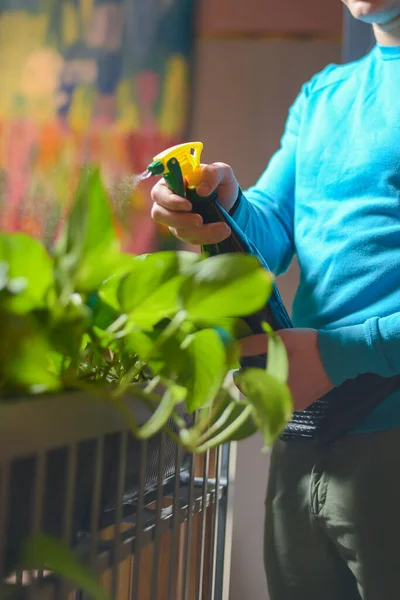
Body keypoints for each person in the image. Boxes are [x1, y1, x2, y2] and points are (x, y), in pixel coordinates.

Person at [150, 1, 400, 598]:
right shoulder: (323, 95)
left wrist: (338, 355)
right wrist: (226, 203)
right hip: (304, 443)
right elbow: (274, 231)